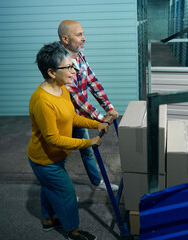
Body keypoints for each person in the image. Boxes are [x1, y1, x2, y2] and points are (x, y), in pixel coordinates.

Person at [27, 41, 107, 240]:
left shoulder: (62, 89)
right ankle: (73, 231)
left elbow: (71, 117)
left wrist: (95, 123)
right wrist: (88, 143)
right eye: (69, 67)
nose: (74, 71)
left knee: (49, 187)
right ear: (51, 72)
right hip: (45, 160)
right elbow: (53, 139)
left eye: (73, 65)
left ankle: (47, 221)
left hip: (56, 156)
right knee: (67, 193)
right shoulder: (43, 101)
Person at [58, 20, 119, 191]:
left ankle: (97, 182)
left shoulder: (79, 56)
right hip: (64, 120)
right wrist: (100, 118)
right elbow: (76, 95)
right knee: (59, 159)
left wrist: (108, 107)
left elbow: (92, 82)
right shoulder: (61, 61)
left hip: (79, 117)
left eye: (83, 34)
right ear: (65, 39)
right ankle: (59, 198)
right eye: (79, 35)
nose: (84, 38)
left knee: (87, 150)